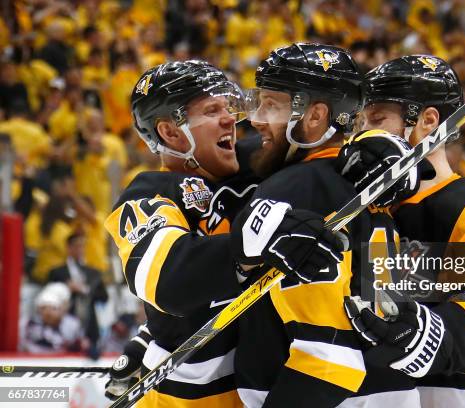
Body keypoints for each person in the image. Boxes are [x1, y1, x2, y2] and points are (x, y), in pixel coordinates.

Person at [103, 60, 341, 407]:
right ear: (170, 133)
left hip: (265, 393)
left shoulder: (258, 164)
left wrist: (368, 148)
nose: (232, 118)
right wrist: (248, 245)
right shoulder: (147, 195)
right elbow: (168, 281)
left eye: (229, 107)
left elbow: (316, 144)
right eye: (212, 110)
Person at [230, 43, 425, 408]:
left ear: (316, 116)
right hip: (387, 390)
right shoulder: (362, 181)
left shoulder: (297, 187)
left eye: (271, 104)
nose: (255, 119)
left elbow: (330, 356)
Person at [338, 55, 465, 407]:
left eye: (379, 119)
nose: (364, 133)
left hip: (460, 397)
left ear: (428, 121)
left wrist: (422, 332)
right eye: (361, 121)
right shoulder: (358, 208)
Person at [48, 232, 108, 357]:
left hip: (89, 324)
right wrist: (67, 288)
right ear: (68, 248)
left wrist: (85, 290)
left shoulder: (93, 272)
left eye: (83, 246)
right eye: (77, 246)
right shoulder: (57, 272)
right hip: (64, 323)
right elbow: (49, 297)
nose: (80, 249)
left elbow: (104, 297)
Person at [22, 282, 86, 353]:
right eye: (44, 308)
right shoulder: (29, 323)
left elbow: (82, 344)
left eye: (54, 308)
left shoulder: (72, 324)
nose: (48, 312)